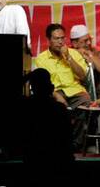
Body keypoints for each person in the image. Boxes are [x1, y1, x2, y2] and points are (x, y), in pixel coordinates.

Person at [31, 23, 94, 152]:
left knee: (86, 103)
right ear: (48, 40)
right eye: (56, 39)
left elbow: (82, 76)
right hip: (53, 92)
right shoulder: (41, 59)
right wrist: (55, 94)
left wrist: (69, 58)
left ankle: (76, 144)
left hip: (75, 91)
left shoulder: (74, 54)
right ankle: (54, 144)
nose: (60, 42)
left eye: (62, 38)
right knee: (46, 107)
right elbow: (41, 84)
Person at [15, 67, 75, 172]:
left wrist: (28, 77)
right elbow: (68, 138)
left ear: (32, 88)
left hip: (33, 160)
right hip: (60, 161)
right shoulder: (60, 108)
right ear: (51, 88)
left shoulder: (25, 106)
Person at [68, 24, 100, 100]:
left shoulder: (98, 51)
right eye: (85, 41)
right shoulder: (68, 53)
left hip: (99, 94)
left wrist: (90, 55)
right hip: (77, 95)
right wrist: (77, 54)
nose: (88, 43)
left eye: (89, 39)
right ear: (75, 43)